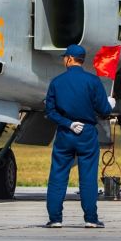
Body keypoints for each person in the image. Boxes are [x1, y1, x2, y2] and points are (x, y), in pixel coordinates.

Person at [44, 44, 113, 228]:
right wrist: (110, 103)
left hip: (66, 132)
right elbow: (104, 110)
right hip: (87, 132)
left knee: (58, 175)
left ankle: (55, 219)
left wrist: (68, 124)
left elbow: (50, 111)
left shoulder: (57, 82)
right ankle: (91, 219)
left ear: (69, 59)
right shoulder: (93, 81)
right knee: (88, 177)